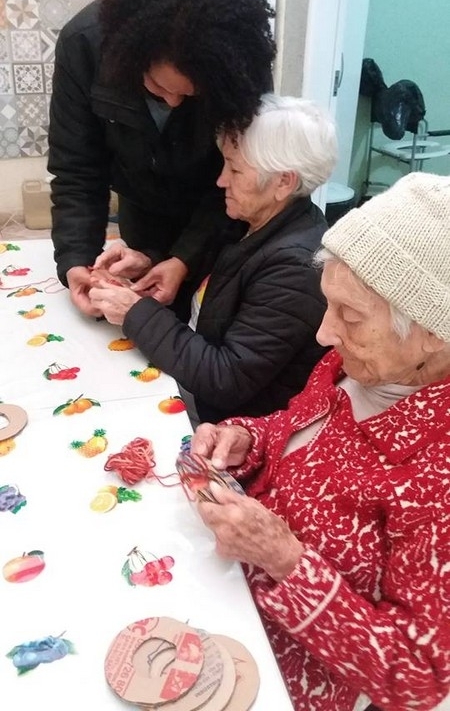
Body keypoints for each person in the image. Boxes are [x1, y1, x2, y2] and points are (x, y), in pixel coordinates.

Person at [189, 171, 450, 711]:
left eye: (349, 315)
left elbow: (418, 679)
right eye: (328, 303)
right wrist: (249, 439)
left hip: (282, 664)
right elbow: (300, 426)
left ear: (432, 333)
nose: (323, 334)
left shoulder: (436, 475)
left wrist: (286, 560)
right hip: (226, 582)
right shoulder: (357, 364)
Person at [48, 0, 275, 319]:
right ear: (132, 54)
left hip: (220, 214)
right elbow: (77, 172)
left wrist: (184, 258)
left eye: (190, 96)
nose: (171, 101)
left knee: (204, 327)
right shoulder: (84, 45)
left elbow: (237, 177)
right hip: (142, 211)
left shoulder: (237, 64)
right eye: (157, 87)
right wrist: (77, 263)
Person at [89, 94, 338, 422]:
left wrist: (135, 313)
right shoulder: (251, 219)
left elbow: (225, 379)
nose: (221, 181)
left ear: (283, 182)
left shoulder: (295, 268)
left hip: (226, 421)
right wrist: (149, 263)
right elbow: (214, 289)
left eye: (234, 169)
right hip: (190, 374)